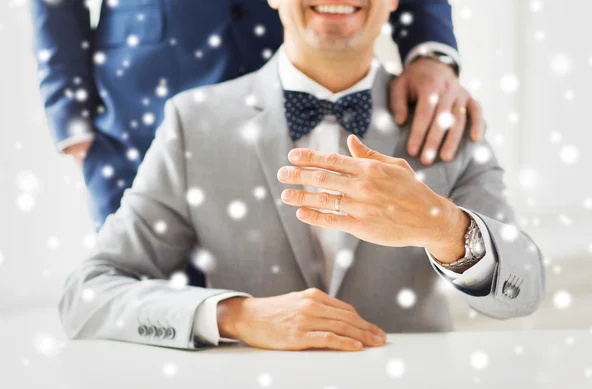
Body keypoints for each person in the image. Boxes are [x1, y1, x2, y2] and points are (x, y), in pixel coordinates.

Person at [58, 0, 545, 352]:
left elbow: (524, 292)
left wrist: (443, 226)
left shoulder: (446, 119)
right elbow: (87, 294)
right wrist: (235, 316)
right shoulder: (194, 124)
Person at [30, 0, 482, 233]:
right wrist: (71, 118)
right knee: (148, 316)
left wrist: (429, 50)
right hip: (139, 104)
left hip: (301, 72)